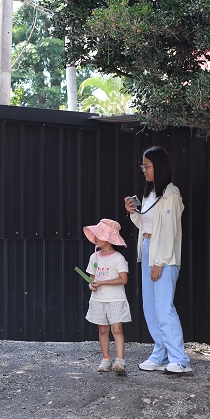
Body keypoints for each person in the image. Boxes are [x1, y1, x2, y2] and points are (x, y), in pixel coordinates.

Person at [125, 145, 192, 374]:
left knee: (164, 307)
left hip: (164, 256)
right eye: (143, 166)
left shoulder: (171, 195)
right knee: (150, 307)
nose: (144, 170)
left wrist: (159, 261)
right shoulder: (150, 193)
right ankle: (160, 354)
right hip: (148, 249)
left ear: (159, 166)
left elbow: (169, 231)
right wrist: (133, 213)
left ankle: (179, 359)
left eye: (147, 166)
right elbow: (146, 225)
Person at [82, 218, 131, 375]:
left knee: (117, 329)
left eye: (98, 235)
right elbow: (92, 278)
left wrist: (102, 283)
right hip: (98, 299)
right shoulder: (94, 257)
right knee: (102, 329)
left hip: (116, 299)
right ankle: (106, 358)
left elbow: (123, 279)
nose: (95, 238)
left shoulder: (118, 258)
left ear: (108, 239)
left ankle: (120, 360)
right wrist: (92, 285)